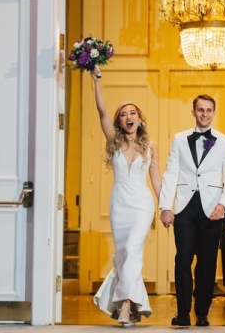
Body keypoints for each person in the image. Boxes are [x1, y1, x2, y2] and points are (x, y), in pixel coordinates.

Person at [90, 69, 162, 327]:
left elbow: (155, 178)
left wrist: (165, 207)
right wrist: (96, 80)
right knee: (123, 253)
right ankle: (129, 305)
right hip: (119, 202)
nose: (128, 117)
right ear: (119, 121)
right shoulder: (114, 141)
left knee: (132, 250)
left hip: (142, 204)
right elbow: (101, 112)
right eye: (123, 114)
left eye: (132, 113)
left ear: (139, 118)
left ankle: (124, 305)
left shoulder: (150, 146)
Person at [159, 94, 225, 327]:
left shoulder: (224, 142)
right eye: (200, 110)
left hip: (212, 207)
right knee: (182, 259)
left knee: (207, 262)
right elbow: (171, 173)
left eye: (209, 110)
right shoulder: (179, 139)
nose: (205, 114)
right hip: (184, 207)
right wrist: (165, 206)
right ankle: (183, 313)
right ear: (193, 112)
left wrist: (223, 204)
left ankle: (202, 312)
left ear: (214, 112)